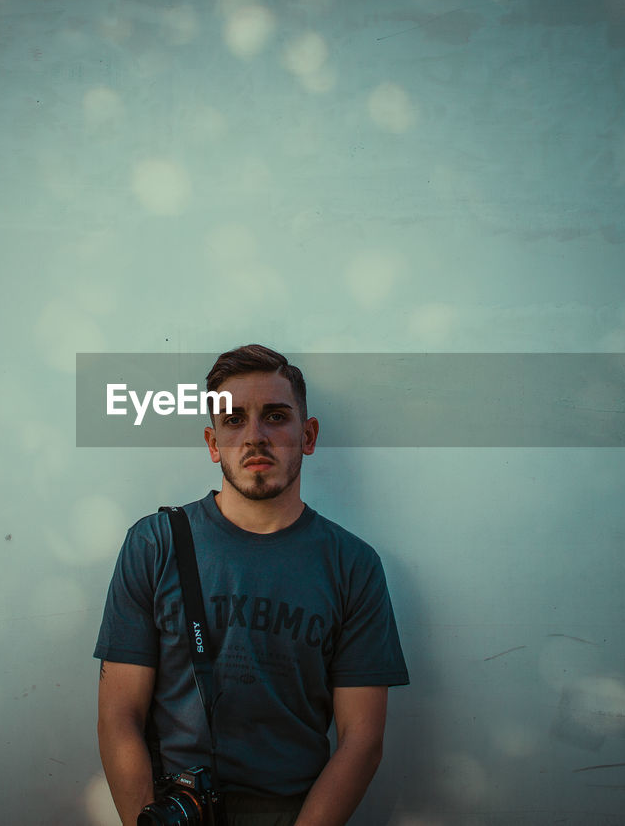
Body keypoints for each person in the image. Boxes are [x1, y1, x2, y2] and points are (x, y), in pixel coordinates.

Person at [94, 344, 409, 826]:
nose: (255, 437)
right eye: (233, 420)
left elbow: (362, 741)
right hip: (175, 811)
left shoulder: (353, 566)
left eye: (276, 417)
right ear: (212, 442)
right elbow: (119, 718)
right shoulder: (153, 545)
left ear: (308, 435)